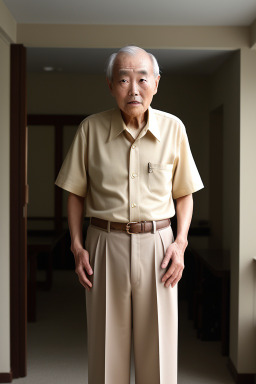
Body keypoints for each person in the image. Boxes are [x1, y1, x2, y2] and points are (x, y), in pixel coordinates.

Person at [55, 45, 203, 384]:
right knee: (107, 350)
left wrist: (180, 243)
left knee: (160, 350)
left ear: (156, 82)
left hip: (160, 246)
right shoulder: (90, 129)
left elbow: (184, 194)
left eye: (142, 78)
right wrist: (77, 247)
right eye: (123, 79)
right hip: (104, 244)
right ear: (110, 85)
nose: (133, 89)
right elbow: (75, 193)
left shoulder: (173, 129)